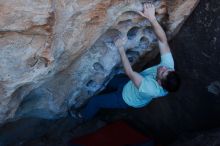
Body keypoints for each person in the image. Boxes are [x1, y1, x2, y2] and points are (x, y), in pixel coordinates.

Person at [68, 3, 181, 121]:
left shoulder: (150, 89)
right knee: (111, 81)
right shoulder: (168, 68)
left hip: (126, 98)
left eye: (162, 72)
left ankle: (82, 116)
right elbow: (163, 41)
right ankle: (105, 91)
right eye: (167, 69)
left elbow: (129, 72)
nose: (163, 68)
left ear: (159, 82)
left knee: (96, 101)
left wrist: (121, 48)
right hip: (129, 83)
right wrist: (152, 18)